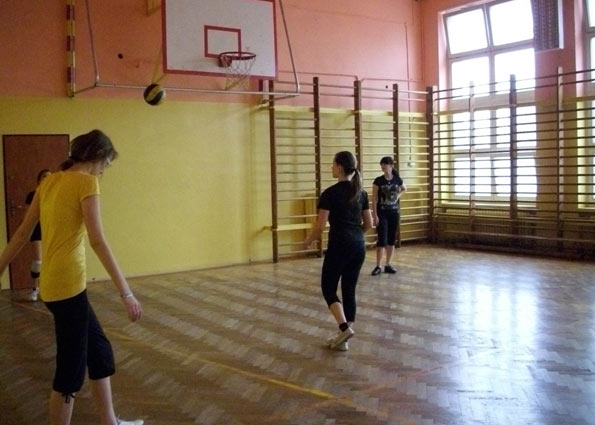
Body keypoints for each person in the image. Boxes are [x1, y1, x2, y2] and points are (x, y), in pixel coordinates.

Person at [0, 130, 144, 425]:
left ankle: (110, 422)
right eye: (106, 164)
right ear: (97, 156)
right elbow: (97, 240)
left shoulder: (48, 182)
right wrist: (126, 293)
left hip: (55, 285)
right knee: (70, 372)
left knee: (99, 352)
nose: (104, 171)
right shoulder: (86, 182)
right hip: (68, 287)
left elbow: (22, 233)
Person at [303, 151, 372, 351]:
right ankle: (344, 339)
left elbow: (320, 226)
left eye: (333, 165)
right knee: (349, 289)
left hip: (339, 246)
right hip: (359, 246)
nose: (331, 168)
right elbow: (369, 223)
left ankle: (344, 328)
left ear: (340, 167)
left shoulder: (330, 193)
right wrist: (356, 236)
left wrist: (308, 241)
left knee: (328, 288)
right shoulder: (361, 193)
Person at [371, 156, 407, 276]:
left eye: (385, 164)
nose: (383, 166)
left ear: (391, 165)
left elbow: (404, 189)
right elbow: (374, 199)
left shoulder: (397, 179)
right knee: (382, 240)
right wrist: (375, 215)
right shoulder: (378, 181)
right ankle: (378, 266)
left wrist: (398, 196)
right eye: (381, 164)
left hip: (394, 213)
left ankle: (388, 264)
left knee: (391, 240)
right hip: (382, 213)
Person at [24, 168, 51, 301]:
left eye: (50, 176)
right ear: (39, 180)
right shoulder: (32, 195)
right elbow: (27, 215)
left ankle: (47, 289)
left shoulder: (54, 195)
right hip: (37, 229)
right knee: (38, 261)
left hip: (50, 228)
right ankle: (34, 288)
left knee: (50, 261)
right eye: (45, 176)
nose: (47, 178)